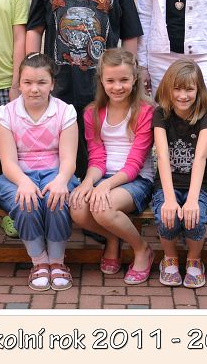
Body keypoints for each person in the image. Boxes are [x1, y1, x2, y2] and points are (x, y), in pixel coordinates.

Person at [25, 0, 142, 180]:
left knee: (97, 138)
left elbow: (130, 33)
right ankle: (64, 184)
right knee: (61, 135)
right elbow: (34, 29)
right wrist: (31, 69)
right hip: (59, 81)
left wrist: (132, 72)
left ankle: (95, 184)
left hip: (103, 83)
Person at [0, 53, 79, 291]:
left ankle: (57, 261)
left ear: (52, 84)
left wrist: (61, 180)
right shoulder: (6, 113)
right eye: (28, 82)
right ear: (19, 84)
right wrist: (23, 182)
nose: (34, 89)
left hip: (56, 172)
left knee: (56, 200)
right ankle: (39, 261)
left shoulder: (65, 112)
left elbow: (68, 159)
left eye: (42, 82)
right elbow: (8, 161)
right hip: (17, 175)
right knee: (26, 202)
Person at [69, 49, 155, 284]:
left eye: (124, 79)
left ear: (135, 79)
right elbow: (97, 158)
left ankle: (141, 249)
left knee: (102, 208)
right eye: (111, 80)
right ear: (101, 81)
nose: (117, 87)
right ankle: (113, 238)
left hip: (136, 179)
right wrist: (88, 183)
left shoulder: (145, 111)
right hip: (103, 175)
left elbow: (135, 163)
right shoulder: (92, 113)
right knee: (77, 207)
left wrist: (105, 186)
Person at [152, 59, 207, 288]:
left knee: (195, 216)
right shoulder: (161, 114)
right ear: (168, 89)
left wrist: (192, 200)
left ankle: (194, 260)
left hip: (198, 185)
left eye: (189, 89)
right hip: (167, 184)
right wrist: (170, 199)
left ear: (198, 90)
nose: (183, 95)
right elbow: (162, 156)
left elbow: (200, 157)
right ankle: (169, 257)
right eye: (177, 89)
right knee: (166, 216)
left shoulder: (205, 115)